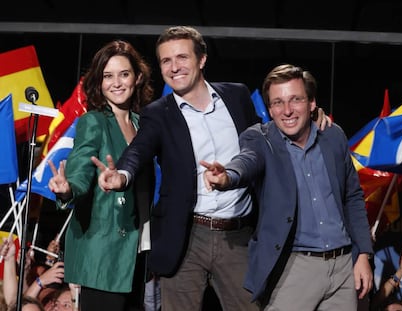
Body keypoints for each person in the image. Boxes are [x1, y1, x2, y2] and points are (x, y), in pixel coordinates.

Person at [92, 26, 331, 311]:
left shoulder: (237, 96)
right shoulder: (158, 113)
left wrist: (311, 117)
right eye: (166, 61)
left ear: (202, 59)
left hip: (239, 236)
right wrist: (122, 174)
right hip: (185, 236)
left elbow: (269, 139)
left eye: (181, 57)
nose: (174, 67)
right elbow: (138, 151)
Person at [201, 64, 374, 310]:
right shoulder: (259, 138)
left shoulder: (333, 136)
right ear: (270, 109)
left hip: (344, 267)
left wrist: (364, 255)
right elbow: (247, 161)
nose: (287, 110)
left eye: (296, 100)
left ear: (312, 103)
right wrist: (227, 176)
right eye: (278, 103)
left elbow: (353, 197)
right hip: (294, 268)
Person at [47, 39, 155, 311]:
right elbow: (81, 168)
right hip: (103, 250)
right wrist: (68, 188)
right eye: (108, 76)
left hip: (138, 249)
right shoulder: (93, 121)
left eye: (124, 74)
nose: (116, 83)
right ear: (99, 82)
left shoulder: (145, 125)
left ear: (138, 77)